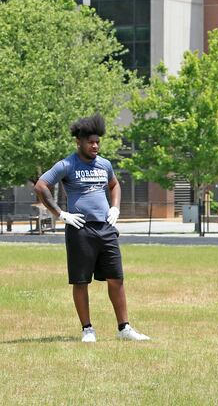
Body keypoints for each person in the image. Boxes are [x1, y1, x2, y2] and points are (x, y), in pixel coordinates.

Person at [34, 114, 149, 343]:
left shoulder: (105, 164)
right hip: (80, 230)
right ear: (79, 142)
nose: (95, 145)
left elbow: (114, 184)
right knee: (80, 281)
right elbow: (41, 185)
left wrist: (115, 208)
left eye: (97, 142)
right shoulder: (67, 164)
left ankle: (124, 328)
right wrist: (61, 214)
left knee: (116, 278)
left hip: (106, 229)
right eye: (90, 142)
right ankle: (87, 329)